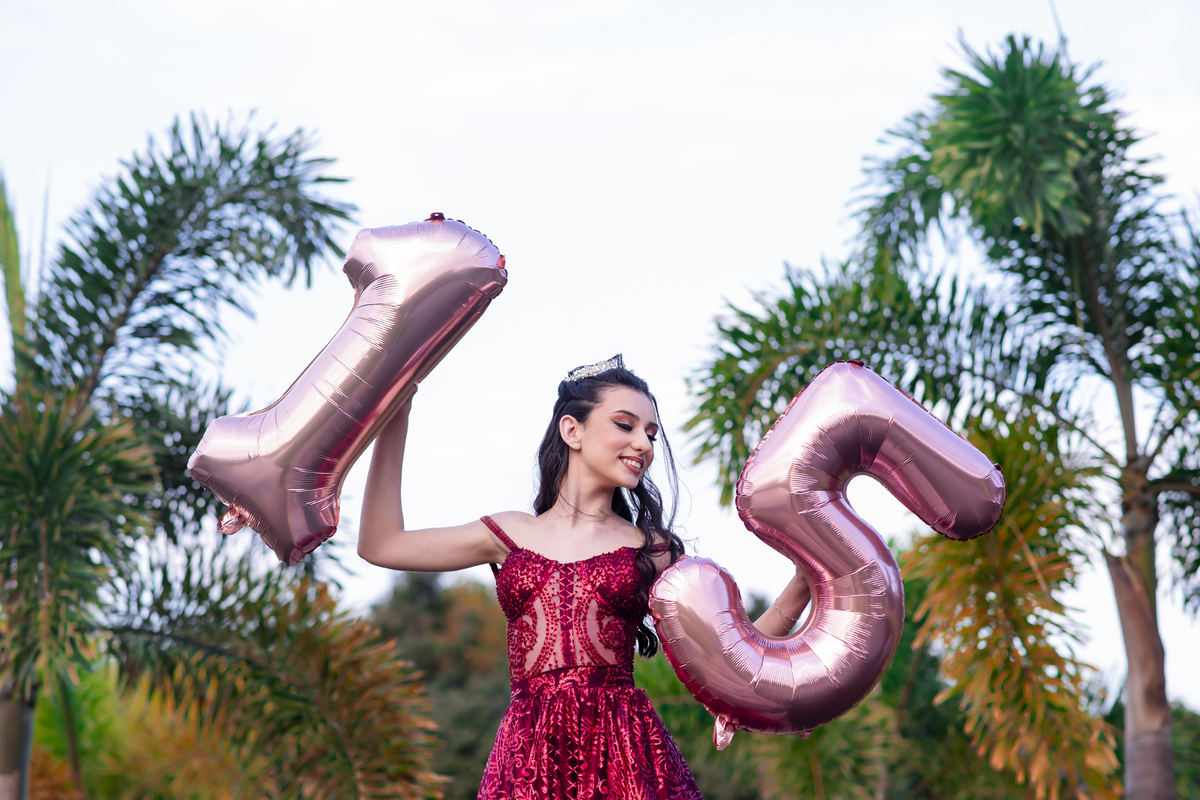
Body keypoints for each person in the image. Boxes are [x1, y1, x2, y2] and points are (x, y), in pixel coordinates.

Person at [358, 355, 811, 799]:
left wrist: (808, 579)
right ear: (572, 430)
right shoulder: (508, 533)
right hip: (528, 756)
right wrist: (398, 412)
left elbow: (736, 651)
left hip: (626, 754)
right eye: (625, 425)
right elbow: (381, 544)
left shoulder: (653, 550)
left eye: (651, 434)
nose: (644, 445)